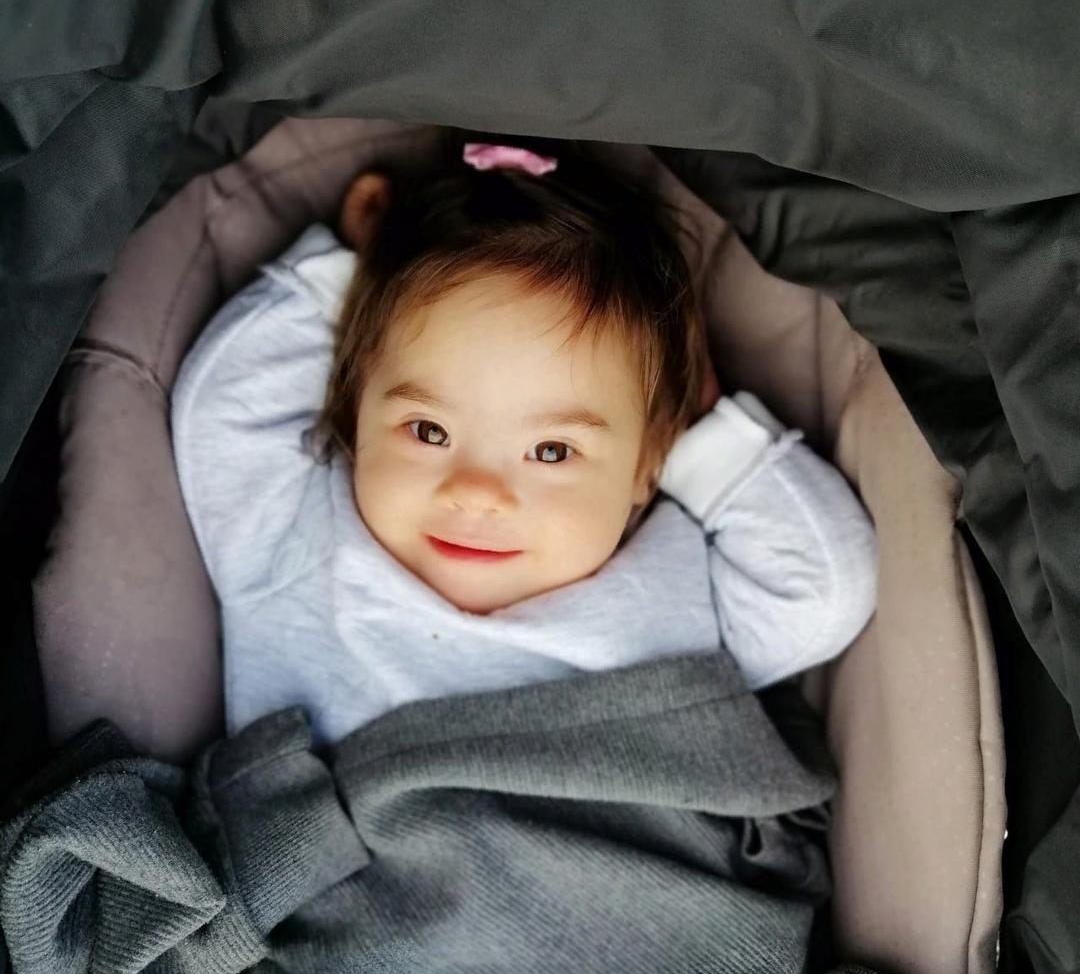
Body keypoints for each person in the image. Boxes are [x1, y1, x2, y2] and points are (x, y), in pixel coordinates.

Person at [171, 131, 877, 745]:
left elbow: (824, 595)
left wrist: (702, 442)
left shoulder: (675, 588)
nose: (477, 492)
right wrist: (355, 279)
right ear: (359, 411)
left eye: (552, 451)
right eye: (428, 430)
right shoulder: (297, 541)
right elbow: (226, 405)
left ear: (647, 464)